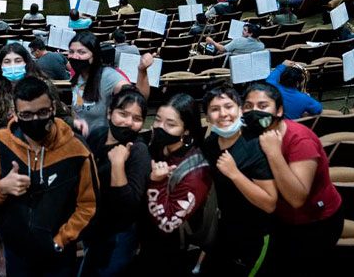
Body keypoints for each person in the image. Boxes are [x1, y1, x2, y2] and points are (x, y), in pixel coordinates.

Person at [0, 76, 97, 276]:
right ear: (15, 114)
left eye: (42, 112)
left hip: (58, 255)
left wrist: (61, 240)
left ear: (53, 107)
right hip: (16, 252)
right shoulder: (1, 141)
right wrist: (2, 187)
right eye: (26, 114)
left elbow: (89, 205)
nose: (35, 120)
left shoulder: (77, 149)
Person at [243, 83, 343, 277]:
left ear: (279, 111)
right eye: (248, 106)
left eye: (263, 106)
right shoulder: (253, 133)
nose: (255, 112)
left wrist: (274, 153)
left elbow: (297, 198)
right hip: (281, 218)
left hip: (316, 222)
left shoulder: (299, 140)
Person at [200, 86, 277, 277]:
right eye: (215, 109)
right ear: (208, 117)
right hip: (226, 228)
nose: (223, 114)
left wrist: (235, 174)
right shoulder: (211, 143)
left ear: (241, 110)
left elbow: (269, 204)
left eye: (229, 106)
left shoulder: (256, 146)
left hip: (256, 235)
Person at [136, 94, 212, 276]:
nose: (160, 128)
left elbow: (168, 223)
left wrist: (157, 183)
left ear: (186, 130)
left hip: (168, 244)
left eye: (170, 124)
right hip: (146, 234)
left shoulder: (196, 171)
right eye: (158, 120)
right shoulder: (156, 146)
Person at [79, 86, 150, 276]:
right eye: (123, 114)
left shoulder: (138, 150)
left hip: (118, 235)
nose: (128, 122)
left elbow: (129, 206)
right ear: (110, 113)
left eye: (137, 119)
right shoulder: (98, 135)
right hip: (93, 227)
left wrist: (118, 166)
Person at [69, 32, 150, 135]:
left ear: (94, 55)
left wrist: (142, 72)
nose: (75, 56)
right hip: (82, 141)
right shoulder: (77, 76)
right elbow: (79, 105)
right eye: (71, 51)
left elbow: (137, 97)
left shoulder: (108, 76)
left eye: (81, 52)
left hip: (101, 143)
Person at [0, 43, 68, 130]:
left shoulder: (43, 85)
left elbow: (61, 117)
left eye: (18, 61)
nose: (12, 65)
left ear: (26, 63)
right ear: (0, 66)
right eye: (7, 62)